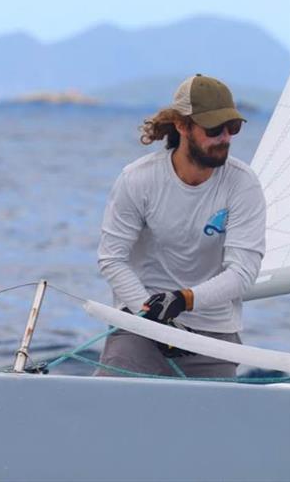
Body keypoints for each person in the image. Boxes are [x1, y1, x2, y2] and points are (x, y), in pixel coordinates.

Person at [96, 74, 266, 378]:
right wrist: (154, 318)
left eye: (233, 128)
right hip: (140, 326)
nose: (225, 137)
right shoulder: (138, 179)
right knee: (109, 409)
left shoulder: (243, 184)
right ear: (182, 125)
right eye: (214, 129)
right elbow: (112, 258)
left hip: (213, 334)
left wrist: (183, 300)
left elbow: (242, 272)